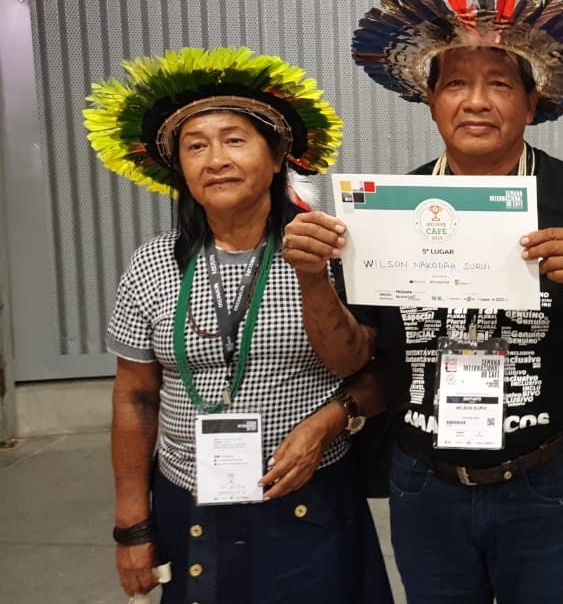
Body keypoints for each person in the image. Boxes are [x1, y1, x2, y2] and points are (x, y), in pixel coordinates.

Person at [283, 0, 563, 603]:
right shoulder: (392, 208)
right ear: (430, 100)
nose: (476, 101)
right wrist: (313, 280)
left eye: (500, 83)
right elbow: (350, 355)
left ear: (532, 101)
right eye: (455, 84)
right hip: (426, 485)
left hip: (547, 480)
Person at [92, 47, 393, 602]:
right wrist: (132, 524)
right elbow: (134, 397)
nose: (216, 160)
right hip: (190, 498)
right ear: (179, 168)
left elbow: (374, 375)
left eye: (235, 140)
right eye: (196, 146)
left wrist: (325, 425)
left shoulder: (327, 251)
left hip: (311, 498)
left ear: (278, 156)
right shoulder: (152, 265)